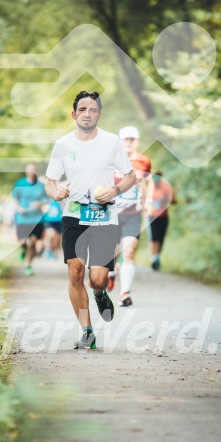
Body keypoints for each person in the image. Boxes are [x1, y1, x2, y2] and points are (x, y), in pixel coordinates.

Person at [45, 90, 136, 350]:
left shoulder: (112, 142)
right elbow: (50, 182)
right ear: (74, 114)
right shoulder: (63, 145)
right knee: (75, 272)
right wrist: (55, 192)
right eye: (82, 109)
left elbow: (130, 176)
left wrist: (115, 191)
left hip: (104, 215)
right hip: (73, 213)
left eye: (93, 110)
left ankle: (100, 293)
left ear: (99, 114)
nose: (87, 114)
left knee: (97, 278)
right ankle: (87, 331)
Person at [109, 126, 154, 307]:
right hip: (110, 213)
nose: (129, 142)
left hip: (133, 214)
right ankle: (111, 273)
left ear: (138, 141)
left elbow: (149, 181)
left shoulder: (144, 161)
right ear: (120, 141)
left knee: (129, 251)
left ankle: (124, 293)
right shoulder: (110, 160)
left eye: (132, 139)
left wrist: (149, 200)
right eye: (125, 139)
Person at [12, 163, 47, 275]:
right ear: (26, 171)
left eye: (34, 170)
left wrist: (40, 203)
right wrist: (18, 208)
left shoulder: (41, 185)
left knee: (32, 243)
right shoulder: (20, 183)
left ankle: (28, 265)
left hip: (36, 219)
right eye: (29, 170)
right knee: (23, 242)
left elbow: (47, 199)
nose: (32, 172)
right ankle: (23, 250)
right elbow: (14, 198)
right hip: (22, 219)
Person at [146, 171, 176, 270]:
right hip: (152, 216)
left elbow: (174, 201)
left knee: (160, 239)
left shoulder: (166, 187)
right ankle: (153, 259)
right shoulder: (149, 187)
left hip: (163, 216)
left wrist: (166, 199)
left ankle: (157, 257)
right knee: (154, 238)